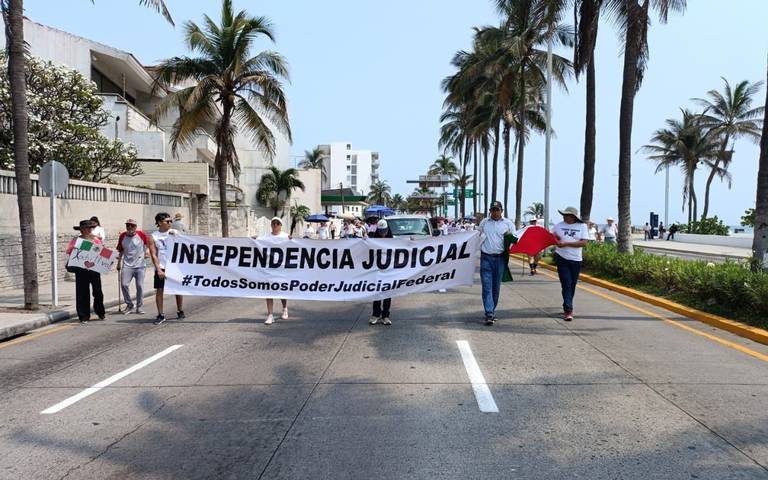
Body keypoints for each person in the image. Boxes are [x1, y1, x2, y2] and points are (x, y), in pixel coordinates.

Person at [478, 201, 516, 325]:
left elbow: (515, 239)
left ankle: (491, 311)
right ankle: (489, 313)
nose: (495, 212)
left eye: (497, 209)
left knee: (496, 288)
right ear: (490, 210)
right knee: (486, 286)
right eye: (493, 209)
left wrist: (509, 235)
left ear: (501, 210)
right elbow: (477, 236)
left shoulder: (508, 223)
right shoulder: (484, 222)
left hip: (500, 259)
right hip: (486, 258)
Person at [552, 207, 590, 322]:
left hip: (576, 260)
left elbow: (583, 243)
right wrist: (556, 240)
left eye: (567, 215)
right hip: (562, 258)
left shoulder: (582, 226)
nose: (564, 216)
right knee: (566, 284)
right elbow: (551, 236)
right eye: (563, 214)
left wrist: (566, 243)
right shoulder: (558, 226)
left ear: (573, 217)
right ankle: (568, 310)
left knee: (572, 285)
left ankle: (567, 304)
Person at [66, 220, 105, 324]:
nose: (89, 229)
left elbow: (101, 251)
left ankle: (100, 311)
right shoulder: (76, 240)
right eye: (87, 228)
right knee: (82, 293)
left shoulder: (96, 240)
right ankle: (83, 316)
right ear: (82, 230)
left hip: (94, 268)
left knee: (98, 291)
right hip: (81, 269)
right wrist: (77, 248)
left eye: (90, 228)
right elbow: (69, 251)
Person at [149, 212, 184, 325]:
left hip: (174, 266)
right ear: (159, 223)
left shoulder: (174, 233)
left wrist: (177, 236)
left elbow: (185, 245)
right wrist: (158, 269)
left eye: (170, 221)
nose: (170, 223)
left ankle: (180, 310)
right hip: (162, 266)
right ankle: (160, 314)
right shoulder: (154, 236)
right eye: (167, 221)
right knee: (159, 290)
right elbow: (154, 254)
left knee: (177, 290)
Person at [260, 217, 290, 324]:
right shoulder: (266, 237)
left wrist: (293, 240)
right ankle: (270, 315)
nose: (275, 225)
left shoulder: (286, 236)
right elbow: (258, 243)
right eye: (273, 223)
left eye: (277, 223)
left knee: (282, 290)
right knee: (269, 291)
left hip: (281, 268)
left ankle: (285, 308)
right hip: (269, 268)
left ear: (281, 225)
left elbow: (295, 245)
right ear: (271, 225)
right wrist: (253, 240)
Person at [116, 218, 149, 314]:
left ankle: (139, 307)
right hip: (127, 265)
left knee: (139, 286)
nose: (130, 227)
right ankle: (129, 304)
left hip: (140, 265)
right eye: (128, 225)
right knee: (124, 284)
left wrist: (146, 252)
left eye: (132, 225)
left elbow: (148, 244)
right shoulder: (122, 236)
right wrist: (118, 263)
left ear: (136, 227)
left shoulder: (141, 234)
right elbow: (121, 250)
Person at [369, 219, 394, 326]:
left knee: (387, 294)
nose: (383, 233)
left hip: (389, 272)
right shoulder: (373, 241)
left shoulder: (394, 241)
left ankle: (386, 316)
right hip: (377, 271)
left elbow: (406, 246)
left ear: (388, 230)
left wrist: (411, 241)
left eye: (384, 231)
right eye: (381, 231)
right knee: (377, 294)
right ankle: (375, 315)